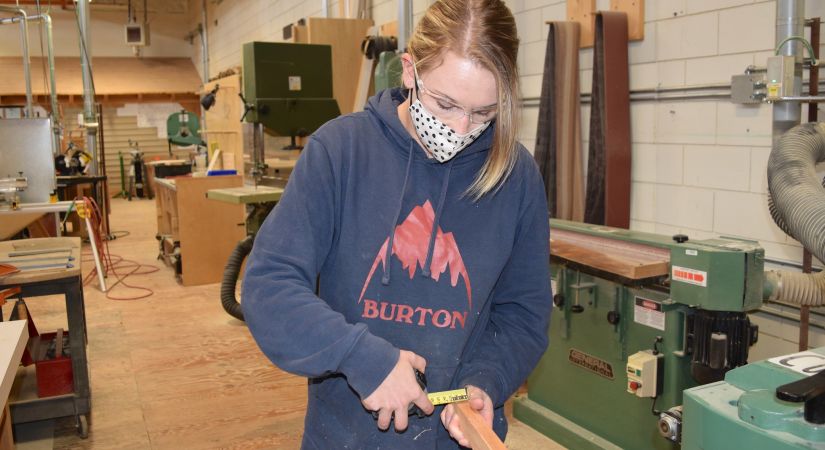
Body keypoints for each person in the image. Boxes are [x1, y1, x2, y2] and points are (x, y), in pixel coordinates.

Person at [242, 0, 552, 447]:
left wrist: (487, 379)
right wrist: (362, 359)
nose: (461, 128)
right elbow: (269, 286)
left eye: (484, 113)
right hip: (346, 437)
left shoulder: (515, 176)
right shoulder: (341, 152)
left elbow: (523, 314)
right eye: (445, 104)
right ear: (409, 71)